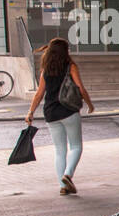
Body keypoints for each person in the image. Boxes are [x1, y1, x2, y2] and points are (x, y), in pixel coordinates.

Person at [25, 38, 95, 195]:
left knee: (59, 150)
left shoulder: (45, 70)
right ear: (65, 51)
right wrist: (90, 104)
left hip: (50, 113)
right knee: (76, 146)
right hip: (69, 110)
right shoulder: (70, 66)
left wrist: (30, 112)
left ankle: (62, 186)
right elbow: (81, 88)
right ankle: (68, 175)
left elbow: (39, 94)